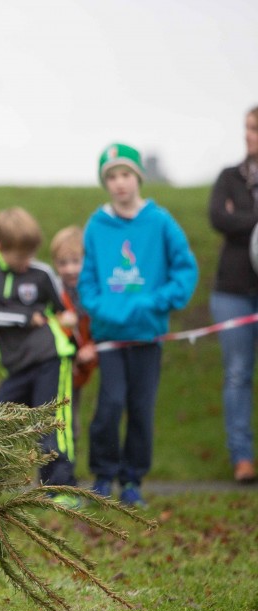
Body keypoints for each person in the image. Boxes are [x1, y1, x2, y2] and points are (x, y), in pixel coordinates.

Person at [79, 143, 198, 507]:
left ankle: (132, 482)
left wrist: (156, 302)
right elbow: (87, 282)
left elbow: (185, 269)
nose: (119, 183)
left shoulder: (160, 222)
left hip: (147, 337)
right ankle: (102, 477)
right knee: (110, 406)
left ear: (138, 178)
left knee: (141, 409)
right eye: (112, 176)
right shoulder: (96, 225)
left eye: (125, 174)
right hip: (111, 338)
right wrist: (102, 310)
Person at [0, 208, 79, 504]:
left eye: (30, 254)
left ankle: (62, 489)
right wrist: (24, 317)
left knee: (51, 425)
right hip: (15, 368)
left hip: (50, 359)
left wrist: (69, 323)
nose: (26, 262)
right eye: (19, 256)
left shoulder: (42, 274)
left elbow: (63, 311)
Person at [208, 106, 258, 484]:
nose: (249, 136)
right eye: (248, 128)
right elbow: (218, 219)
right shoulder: (229, 177)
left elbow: (233, 219)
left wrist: (240, 217)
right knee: (238, 373)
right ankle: (242, 458)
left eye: (255, 129)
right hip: (232, 292)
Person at [50, 225, 98, 447]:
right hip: (55, 370)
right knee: (52, 425)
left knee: (72, 425)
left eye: (76, 262)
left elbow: (100, 331)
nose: (69, 269)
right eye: (62, 263)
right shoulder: (52, 294)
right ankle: (50, 478)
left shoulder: (94, 295)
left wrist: (92, 350)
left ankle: (67, 477)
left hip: (79, 370)